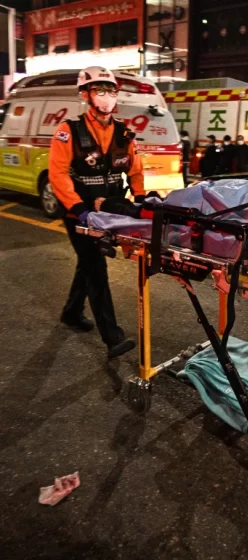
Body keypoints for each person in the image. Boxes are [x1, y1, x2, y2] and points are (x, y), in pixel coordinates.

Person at [49, 66, 141, 359]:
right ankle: (112, 336)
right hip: (80, 212)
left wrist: (141, 199)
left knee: (88, 263)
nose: (107, 97)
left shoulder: (124, 133)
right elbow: (58, 174)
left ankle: (72, 312)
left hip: (109, 212)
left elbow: (135, 170)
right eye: (99, 90)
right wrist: (77, 208)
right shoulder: (68, 131)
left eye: (111, 90)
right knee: (94, 265)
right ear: (85, 95)